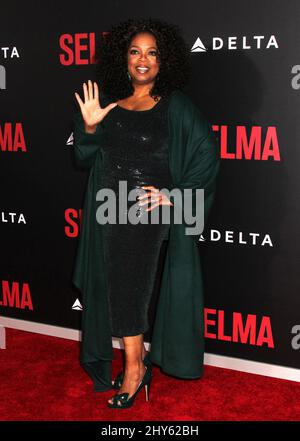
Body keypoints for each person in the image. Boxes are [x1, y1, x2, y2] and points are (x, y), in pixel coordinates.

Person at [72, 18, 220, 409]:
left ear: (163, 61)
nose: (143, 60)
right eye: (135, 51)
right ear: (123, 58)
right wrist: (89, 128)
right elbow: (84, 157)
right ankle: (136, 364)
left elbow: (207, 153)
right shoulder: (110, 103)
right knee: (116, 289)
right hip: (109, 208)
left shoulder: (175, 105)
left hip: (142, 212)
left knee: (129, 290)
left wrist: (175, 195)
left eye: (152, 53)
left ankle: (135, 370)